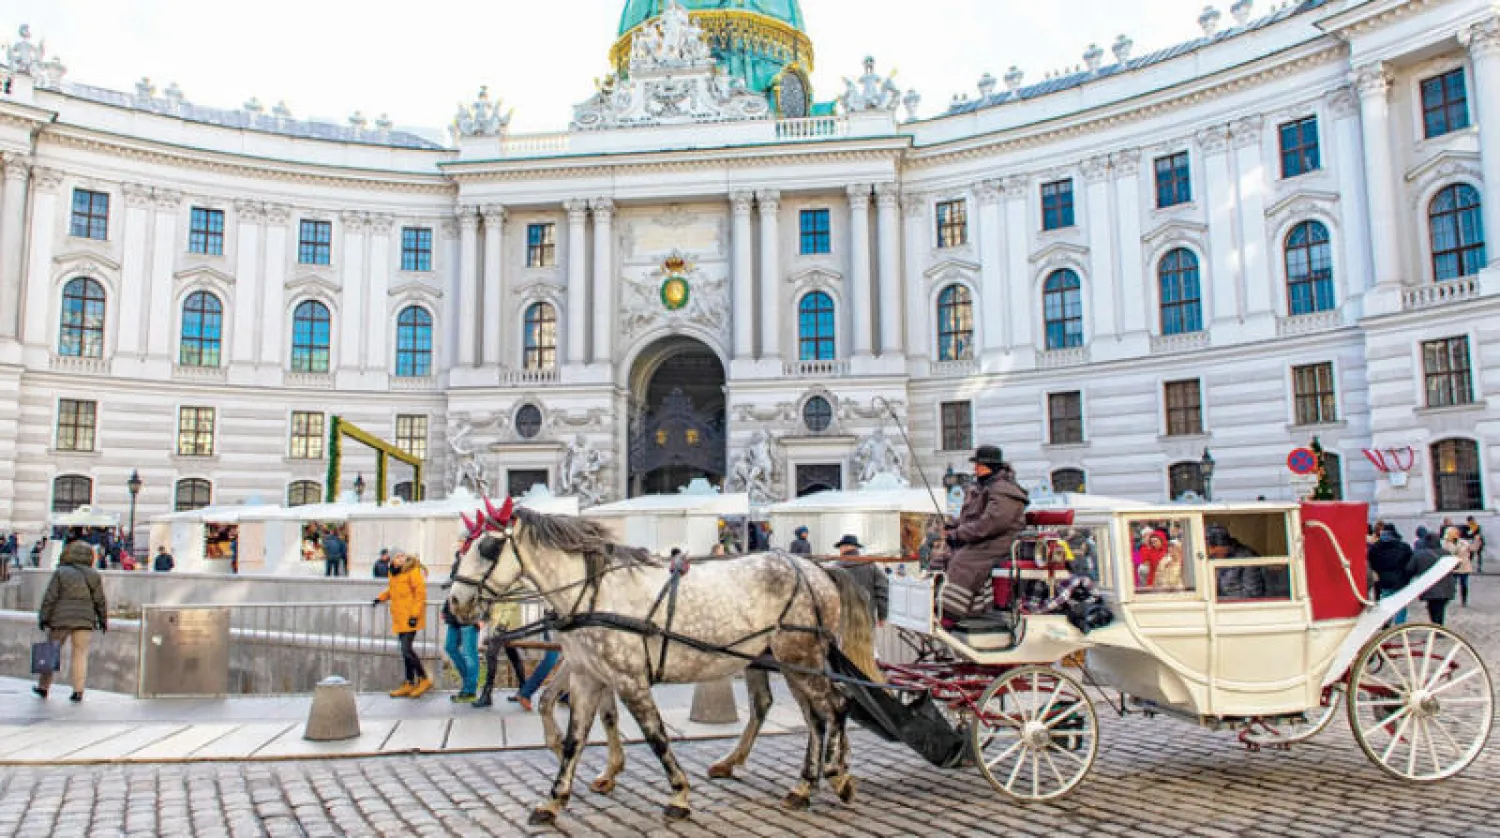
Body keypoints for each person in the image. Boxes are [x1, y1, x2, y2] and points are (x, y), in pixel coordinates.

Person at [936, 445, 1029, 620]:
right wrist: (954, 526)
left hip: (998, 541)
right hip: (981, 538)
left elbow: (992, 523)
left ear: (990, 467)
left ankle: (952, 612)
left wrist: (960, 534)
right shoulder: (982, 488)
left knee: (962, 561)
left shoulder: (1004, 490)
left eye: (979, 465)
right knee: (942, 558)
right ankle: (939, 602)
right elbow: (970, 518)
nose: (975, 469)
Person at [34, 539, 108, 702]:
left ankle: (43, 687)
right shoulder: (94, 575)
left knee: (50, 651)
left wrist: (44, 617)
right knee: (80, 654)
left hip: (60, 620)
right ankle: (78, 691)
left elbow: (50, 597)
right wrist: (103, 619)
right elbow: (100, 600)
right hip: (84, 620)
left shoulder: (61, 572)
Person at [373, 553, 431, 698]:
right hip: (400, 618)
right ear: (392, 560)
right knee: (405, 652)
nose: (401, 559)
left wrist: (414, 615)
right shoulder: (394, 573)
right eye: (398, 556)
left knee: (406, 649)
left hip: (410, 618)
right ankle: (409, 682)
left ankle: (424, 679)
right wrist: (380, 598)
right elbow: (393, 590)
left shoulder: (412, 571)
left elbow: (420, 594)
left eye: (403, 556)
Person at [831, 535, 887, 626]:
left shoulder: (834, 567)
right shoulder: (871, 565)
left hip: (843, 619)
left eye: (840, 547)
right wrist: (882, 616)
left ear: (845, 547)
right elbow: (882, 592)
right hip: (866, 618)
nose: (840, 550)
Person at [1367, 523, 1414, 625]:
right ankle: (1399, 624)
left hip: (1384, 579)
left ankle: (1385, 622)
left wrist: (1378, 571)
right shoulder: (1404, 546)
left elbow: (1371, 561)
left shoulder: (1376, 547)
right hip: (1401, 579)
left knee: (1385, 601)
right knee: (1401, 603)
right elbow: (1410, 562)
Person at [1209, 524, 1268, 600]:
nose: (1211, 552)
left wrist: (1219, 600)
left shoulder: (1247, 558)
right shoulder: (1213, 557)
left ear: (1225, 545)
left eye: (1213, 547)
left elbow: (1253, 594)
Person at [1409, 531, 1455, 625]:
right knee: (1440, 608)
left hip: (1429, 586)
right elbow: (1455, 566)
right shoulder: (1446, 553)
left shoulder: (1419, 554)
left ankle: (1436, 625)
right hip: (1446, 586)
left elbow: (1410, 569)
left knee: (1433, 607)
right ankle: (1438, 625)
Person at [442, 599, 481, 703]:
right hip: (454, 617)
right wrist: (445, 609)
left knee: (469, 654)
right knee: (450, 647)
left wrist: (481, 618)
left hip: (469, 617)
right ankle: (470, 682)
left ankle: (470, 690)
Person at [1441, 526, 1473, 608]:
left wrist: (1467, 559)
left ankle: (1464, 600)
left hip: (1464, 566)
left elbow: (1470, 552)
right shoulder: (1445, 543)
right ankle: (1447, 598)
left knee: (1464, 584)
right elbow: (1447, 553)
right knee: (1451, 584)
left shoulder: (1464, 542)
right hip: (1453, 567)